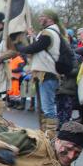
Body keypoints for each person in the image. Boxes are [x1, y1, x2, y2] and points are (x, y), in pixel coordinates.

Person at [15, 9, 63, 137]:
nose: (40, 18)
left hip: (47, 74)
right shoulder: (49, 32)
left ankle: (50, 136)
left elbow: (34, 48)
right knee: (41, 107)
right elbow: (40, 46)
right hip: (43, 74)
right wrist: (32, 36)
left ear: (50, 18)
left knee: (47, 108)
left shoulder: (49, 32)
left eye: (43, 16)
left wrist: (19, 47)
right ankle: (44, 134)